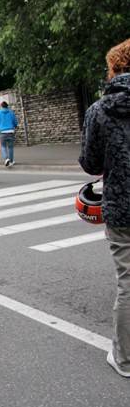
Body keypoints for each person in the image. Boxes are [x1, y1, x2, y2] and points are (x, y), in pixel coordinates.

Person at [79, 38, 130, 378]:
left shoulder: (99, 110)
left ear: (114, 69)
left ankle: (125, 360)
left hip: (122, 206)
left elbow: (90, 162)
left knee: (128, 282)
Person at [0, 101, 19, 167]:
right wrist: (15, 126)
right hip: (11, 131)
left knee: (3, 147)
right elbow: (15, 122)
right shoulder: (11, 113)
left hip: (2, 132)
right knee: (10, 147)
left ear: (1, 106)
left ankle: (6, 159)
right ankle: (11, 161)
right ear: (7, 106)